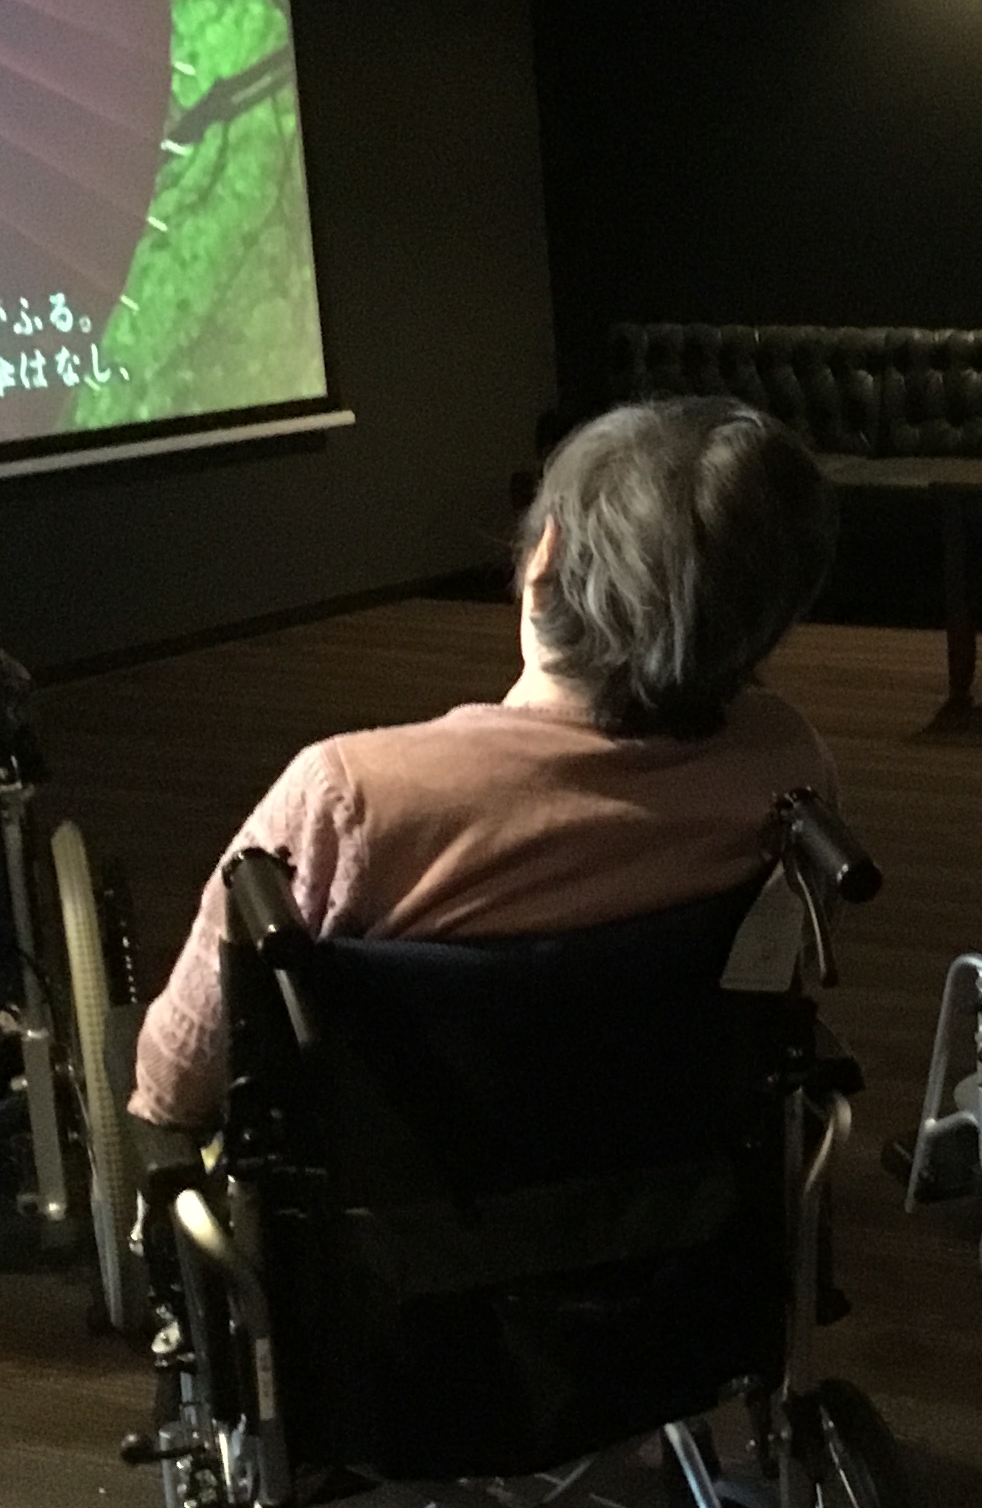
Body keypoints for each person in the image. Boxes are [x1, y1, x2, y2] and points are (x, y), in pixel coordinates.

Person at [129, 397, 839, 1134]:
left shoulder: (353, 798)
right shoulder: (787, 764)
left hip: (406, 1199)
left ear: (546, 555)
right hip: (680, 1174)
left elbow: (175, 1084)